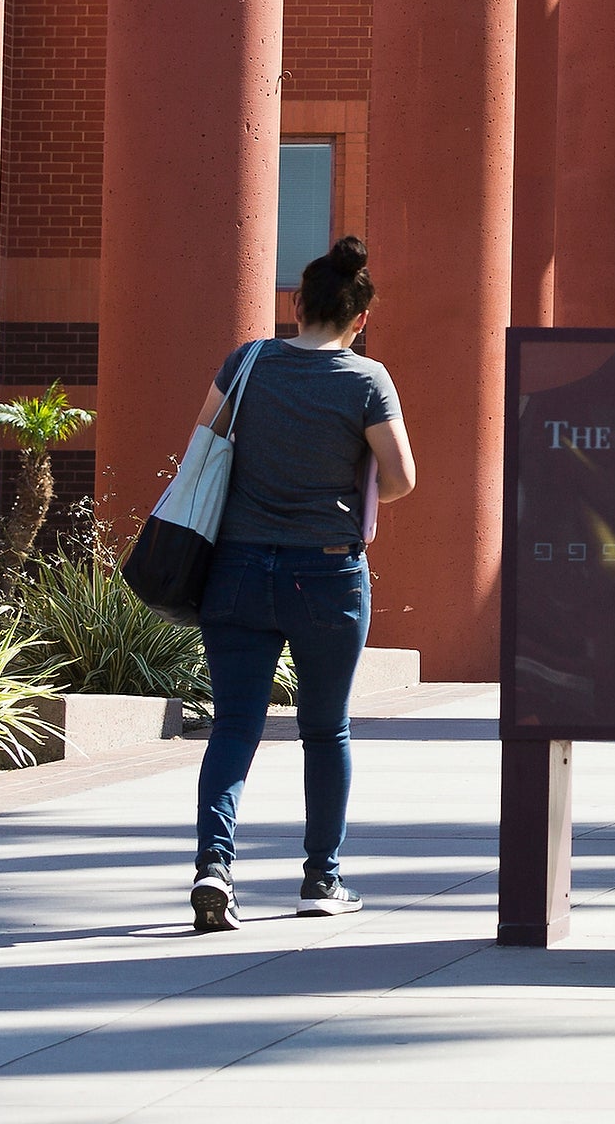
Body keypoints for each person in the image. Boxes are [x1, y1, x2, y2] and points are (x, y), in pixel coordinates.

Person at [186, 237, 418, 934]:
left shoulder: (247, 363)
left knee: (234, 726)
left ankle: (214, 867)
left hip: (237, 567)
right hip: (327, 570)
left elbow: (205, 443)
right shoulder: (367, 381)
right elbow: (403, 478)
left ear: (296, 303)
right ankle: (322, 878)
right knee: (326, 728)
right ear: (362, 318)